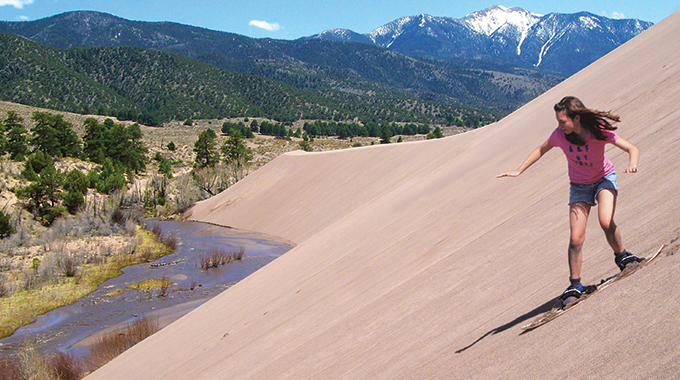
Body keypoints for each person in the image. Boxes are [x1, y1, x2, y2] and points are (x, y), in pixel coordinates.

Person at [497, 96, 642, 308]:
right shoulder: (560, 136)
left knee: (605, 221)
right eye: (558, 121)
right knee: (576, 238)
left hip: (604, 179)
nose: (559, 126)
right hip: (579, 186)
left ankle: (623, 257)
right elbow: (541, 150)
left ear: (576, 118)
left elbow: (632, 148)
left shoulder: (597, 131)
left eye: (563, 121)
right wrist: (519, 170)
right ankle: (575, 285)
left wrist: (633, 163)